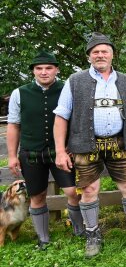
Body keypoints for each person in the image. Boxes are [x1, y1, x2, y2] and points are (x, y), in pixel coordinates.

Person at [54, 33, 126, 257]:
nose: (100, 55)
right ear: (89, 56)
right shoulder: (75, 81)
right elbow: (61, 116)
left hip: (119, 142)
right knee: (89, 190)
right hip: (86, 143)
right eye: (95, 52)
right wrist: (60, 150)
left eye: (104, 51)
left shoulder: (125, 81)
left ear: (112, 54)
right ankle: (92, 234)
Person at [6, 51, 84, 250]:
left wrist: (72, 145)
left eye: (48, 67)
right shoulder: (19, 93)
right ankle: (43, 238)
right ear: (33, 71)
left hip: (61, 153)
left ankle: (79, 231)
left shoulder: (68, 89)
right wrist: (12, 156)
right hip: (31, 153)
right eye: (39, 68)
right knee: (37, 196)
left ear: (56, 69)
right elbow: (14, 125)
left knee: (72, 192)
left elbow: (77, 121)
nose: (44, 72)